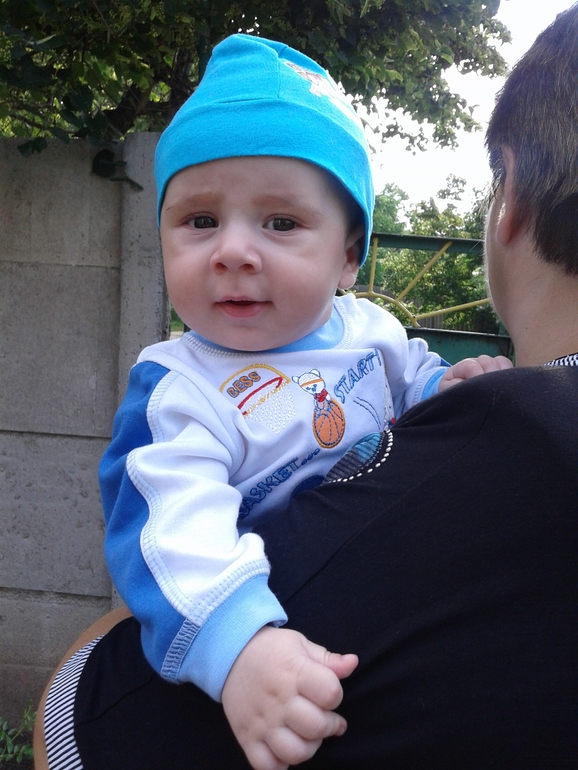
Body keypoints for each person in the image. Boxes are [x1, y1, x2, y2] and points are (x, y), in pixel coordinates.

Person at [34, 5, 578, 769]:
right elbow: (170, 533)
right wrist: (240, 649)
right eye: (198, 221)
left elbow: (418, 388)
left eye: (281, 224)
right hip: (246, 602)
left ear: (349, 257)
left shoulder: (370, 330)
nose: (232, 251)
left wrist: (454, 385)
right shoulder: (178, 388)